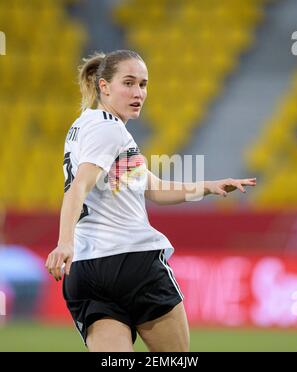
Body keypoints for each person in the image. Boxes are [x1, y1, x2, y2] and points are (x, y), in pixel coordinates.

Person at [45, 49, 256, 352]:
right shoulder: (109, 129)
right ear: (104, 86)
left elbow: (153, 188)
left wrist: (208, 187)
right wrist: (64, 242)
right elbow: (79, 186)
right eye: (128, 83)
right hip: (133, 262)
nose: (138, 93)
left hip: (86, 271)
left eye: (143, 84)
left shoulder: (84, 126)